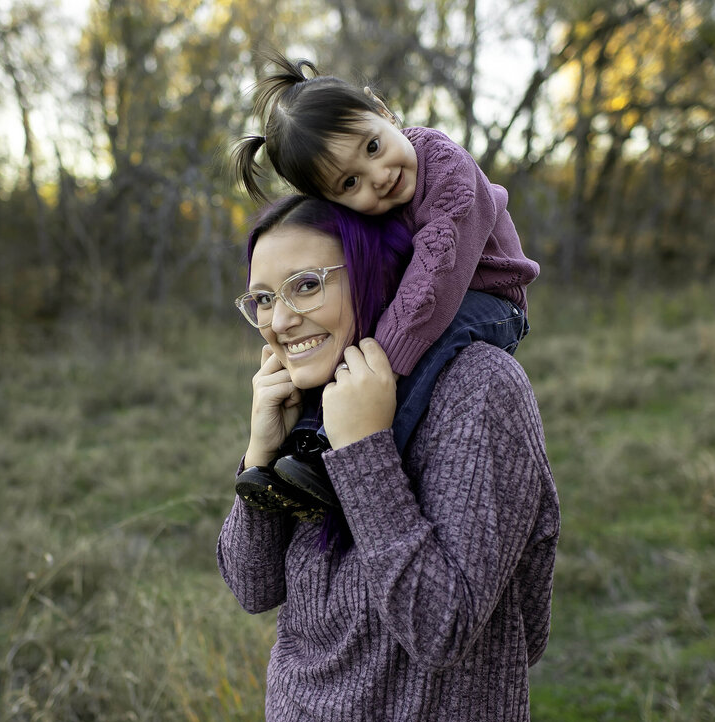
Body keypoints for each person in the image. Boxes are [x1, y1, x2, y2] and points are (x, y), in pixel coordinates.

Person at [217, 195, 560, 722]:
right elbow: (252, 587)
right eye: (263, 299)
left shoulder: (478, 390)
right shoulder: (314, 396)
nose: (280, 320)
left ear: (375, 270)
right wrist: (260, 455)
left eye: (304, 285)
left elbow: (442, 629)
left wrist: (366, 452)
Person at [231, 52, 539, 517]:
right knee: (358, 347)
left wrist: (381, 367)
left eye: (373, 147)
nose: (379, 177)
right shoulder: (371, 207)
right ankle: (302, 448)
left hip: (489, 298)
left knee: (402, 358)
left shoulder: (447, 167)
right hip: (426, 301)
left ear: (382, 111)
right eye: (350, 182)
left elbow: (434, 276)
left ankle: (348, 457)